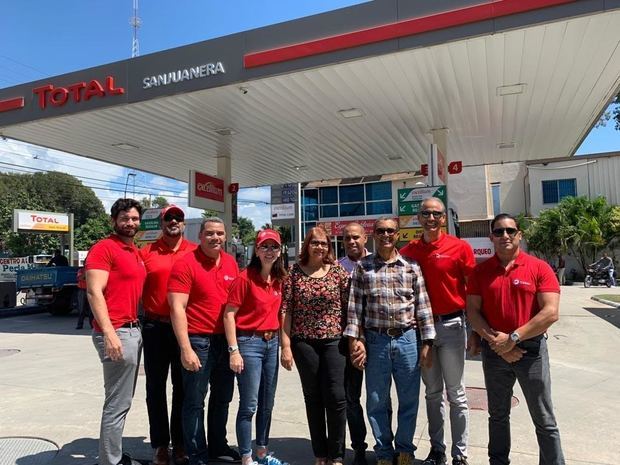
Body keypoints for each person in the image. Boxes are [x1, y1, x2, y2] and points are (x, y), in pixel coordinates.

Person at [466, 213, 565, 465]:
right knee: (497, 414)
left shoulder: (539, 267)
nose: (505, 236)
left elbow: (550, 312)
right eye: (498, 232)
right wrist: (497, 343)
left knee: (544, 418)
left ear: (519, 234)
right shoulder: (481, 272)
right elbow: (473, 312)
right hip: (494, 350)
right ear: (491, 237)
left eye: (510, 230)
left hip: (531, 351)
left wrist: (513, 338)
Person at [344, 217, 435, 465]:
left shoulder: (411, 266)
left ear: (397, 235)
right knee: (376, 400)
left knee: (408, 399)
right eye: (381, 231)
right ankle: (384, 452)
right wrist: (356, 340)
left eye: (390, 231)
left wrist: (427, 343)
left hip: (407, 340)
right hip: (376, 342)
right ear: (374, 235)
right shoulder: (363, 267)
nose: (386, 235)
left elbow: (423, 307)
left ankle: (404, 449)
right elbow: (355, 308)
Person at [400, 198, 475, 465]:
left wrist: (475, 329)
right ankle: (437, 450)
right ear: (418, 218)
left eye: (436, 213)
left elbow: (472, 290)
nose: (430, 217)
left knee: (456, 393)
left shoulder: (460, 248)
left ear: (444, 218)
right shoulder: (408, 251)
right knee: (432, 393)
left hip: (452, 326)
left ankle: (460, 454)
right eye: (425, 213)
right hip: (422, 331)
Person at [168, 217, 241, 465]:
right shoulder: (185, 263)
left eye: (220, 233)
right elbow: (177, 308)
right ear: (200, 236)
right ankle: (196, 454)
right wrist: (185, 348)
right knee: (194, 401)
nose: (215, 238)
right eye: (210, 233)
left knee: (223, 397)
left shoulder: (231, 263)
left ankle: (217, 445)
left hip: (225, 341)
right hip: (198, 341)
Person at [281, 227, 350, 465]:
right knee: (313, 397)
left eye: (323, 243)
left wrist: (354, 339)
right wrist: (286, 345)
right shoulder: (293, 273)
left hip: (334, 341)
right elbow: (286, 310)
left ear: (328, 246)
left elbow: (348, 307)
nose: (319, 247)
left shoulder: (338, 272)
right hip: (303, 342)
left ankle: (337, 454)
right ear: (307, 246)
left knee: (337, 397)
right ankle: (320, 453)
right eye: (315, 243)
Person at [86, 198, 146, 465]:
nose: (129, 223)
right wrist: (109, 333)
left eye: (134, 218)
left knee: (121, 401)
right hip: (117, 332)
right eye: (124, 218)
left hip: (132, 329)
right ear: (113, 221)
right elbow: (94, 291)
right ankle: (109, 461)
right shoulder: (103, 248)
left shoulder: (133, 250)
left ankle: (114, 456)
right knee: (117, 404)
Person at [223, 229, 289, 465]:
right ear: (256, 251)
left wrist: (284, 346)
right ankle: (246, 457)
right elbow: (229, 315)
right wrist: (234, 351)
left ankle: (262, 451)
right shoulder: (245, 278)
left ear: (280, 251)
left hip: (271, 343)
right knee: (249, 404)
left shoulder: (280, 279)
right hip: (249, 343)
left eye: (274, 247)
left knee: (267, 403)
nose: (269, 251)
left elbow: (282, 314)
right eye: (265, 247)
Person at [140, 205, 197, 465]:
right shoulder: (146, 253)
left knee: (183, 388)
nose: (174, 221)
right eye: (169, 218)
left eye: (178, 218)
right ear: (162, 223)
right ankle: (160, 445)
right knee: (155, 387)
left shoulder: (195, 253)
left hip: (185, 329)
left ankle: (181, 443)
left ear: (184, 224)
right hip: (155, 327)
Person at [338, 222, 370, 465]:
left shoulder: (378, 263)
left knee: (381, 399)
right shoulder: (338, 268)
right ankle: (359, 447)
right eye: (347, 238)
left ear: (365, 238)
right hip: (350, 342)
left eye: (356, 237)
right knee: (351, 398)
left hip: (379, 339)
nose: (351, 242)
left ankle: (387, 448)